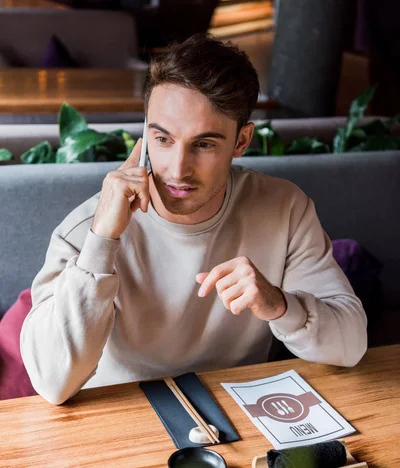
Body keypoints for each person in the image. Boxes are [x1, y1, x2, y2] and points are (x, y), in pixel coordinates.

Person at [21, 34, 367, 405]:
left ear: (241, 141)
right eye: (163, 139)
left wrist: (279, 305)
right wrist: (102, 240)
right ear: (145, 134)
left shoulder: (285, 208)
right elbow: (52, 382)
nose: (177, 169)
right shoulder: (86, 228)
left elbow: (351, 346)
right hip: (119, 418)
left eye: (204, 144)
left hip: (238, 414)